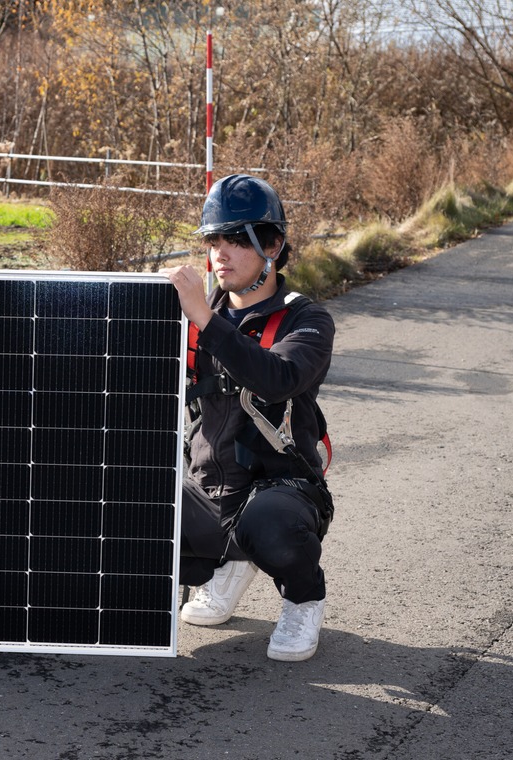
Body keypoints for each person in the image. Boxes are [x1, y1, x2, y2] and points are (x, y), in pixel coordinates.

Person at [162, 174, 336, 662]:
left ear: (274, 246)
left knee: (271, 527)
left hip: (280, 488)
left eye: (238, 240)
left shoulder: (307, 318)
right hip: (208, 486)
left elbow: (277, 378)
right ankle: (229, 566)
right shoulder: (191, 312)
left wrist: (204, 319)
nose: (221, 253)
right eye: (214, 240)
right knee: (132, 499)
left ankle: (303, 600)